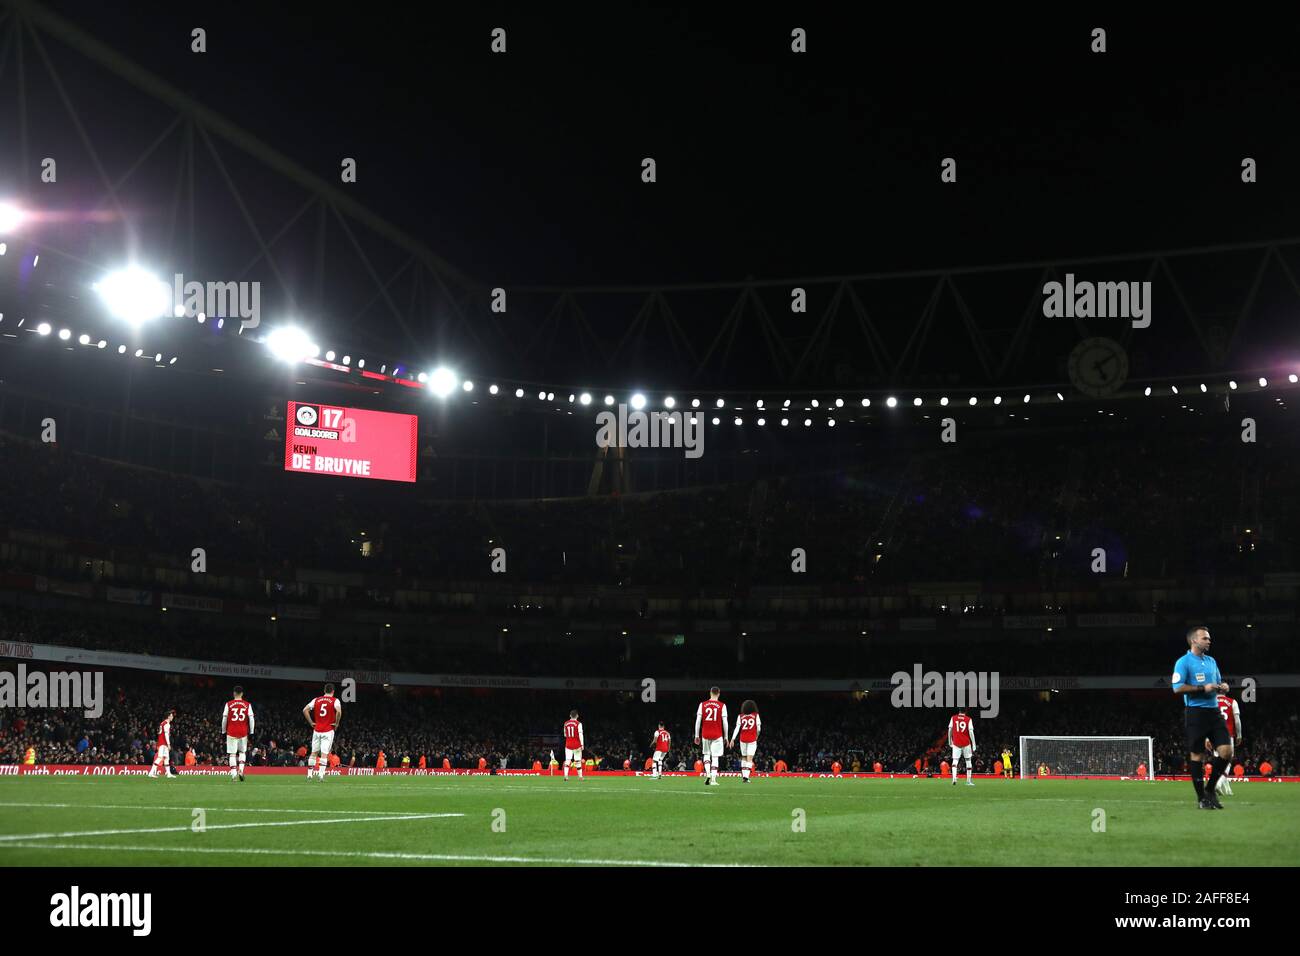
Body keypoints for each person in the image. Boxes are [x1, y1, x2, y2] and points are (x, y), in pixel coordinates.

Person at [1172, 626, 1231, 809]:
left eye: (1209, 638)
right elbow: (1177, 687)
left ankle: (1210, 789)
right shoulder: (1183, 662)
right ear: (1194, 641)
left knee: (1226, 752)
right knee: (1197, 755)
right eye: (1205, 638)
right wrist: (1201, 688)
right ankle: (1202, 799)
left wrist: (1223, 686)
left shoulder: (1212, 661)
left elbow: (1219, 681)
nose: (1209, 640)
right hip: (1195, 712)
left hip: (1214, 711)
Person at [302, 683, 341, 781]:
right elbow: (339, 712)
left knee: (313, 753)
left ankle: (309, 775)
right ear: (333, 691)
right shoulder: (335, 700)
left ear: (324, 691)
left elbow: (305, 710)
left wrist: (311, 722)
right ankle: (321, 775)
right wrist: (336, 723)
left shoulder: (316, 700)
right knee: (324, 754)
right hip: (328, 730)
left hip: (317, 730)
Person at [694, 685, 730, 786]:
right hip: (717, 735)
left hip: (705, 734)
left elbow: (698, 721)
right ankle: (713, 780)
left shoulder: (703, 704)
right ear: (718, 694)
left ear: (710, 693)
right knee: (715, 757)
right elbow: (725, 722)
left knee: (706, 755)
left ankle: (708, 774)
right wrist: (726, 737)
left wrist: (697, 735)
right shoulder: (722, 705)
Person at [221, 685, 254, 782]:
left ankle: (234, 775)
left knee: (232, 754)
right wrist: (251, 732)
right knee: (242, 752)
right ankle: (241, 770)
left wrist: (223, 731)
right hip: (243, 732)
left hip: (231, 732)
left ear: (234, 693)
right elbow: (251, 719)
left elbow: (224, 719)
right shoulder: (247, 704)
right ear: (242, 694)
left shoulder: (228, 704)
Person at [1214, 691, 1243, 797]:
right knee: (1228, 762)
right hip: (1227, 735)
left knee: (1219, 762)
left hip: (1214, 735)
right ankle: (1218, 783)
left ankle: (1227, 789)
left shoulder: (1212, 702)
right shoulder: (1232, 702)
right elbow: (1237, 720)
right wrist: (1239, 734)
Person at [729, 699, 761, 783]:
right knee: (749, 758)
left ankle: (744, 776)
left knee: (743, 757)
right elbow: (759, 728)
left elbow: (737, 728)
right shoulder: (755, 715)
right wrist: (757, 736)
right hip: (752, 739)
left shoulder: (740, 716)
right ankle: (746, 777)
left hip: (742, 739)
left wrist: (732, 739)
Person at [948, 710, 976, 787]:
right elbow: (971, 731)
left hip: (956, 743)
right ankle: (968, 781)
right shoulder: (968, 719)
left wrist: (950, 740)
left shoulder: (953, 718)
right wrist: (974, 744)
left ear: (959, 711)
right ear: (965, 712)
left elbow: (950, 729)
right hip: (966, 743)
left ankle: (954, 778)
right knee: (968, 761)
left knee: (955, 761)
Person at [149, 709, 178, 779]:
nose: (172, 717)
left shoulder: (162, 723)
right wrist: (168, 744)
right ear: (168, 716)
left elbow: (159, 733)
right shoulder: (166, 724)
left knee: (166, 758)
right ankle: (151, 773)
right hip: (163, 744)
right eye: (171, 716)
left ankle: (168, 774)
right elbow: (166, 735)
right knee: (160, 757)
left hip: (161, 743)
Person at [563, 710, 584, 780]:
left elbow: (565, 734)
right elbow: (580, 734)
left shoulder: (565, 723)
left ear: (570, 715)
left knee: (568, 760)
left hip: (568, 744)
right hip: (577, 745)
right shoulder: (579, 724)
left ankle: (566, 776)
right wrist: (582, 744)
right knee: (577, 760)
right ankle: (580, 777)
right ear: (577, 715)